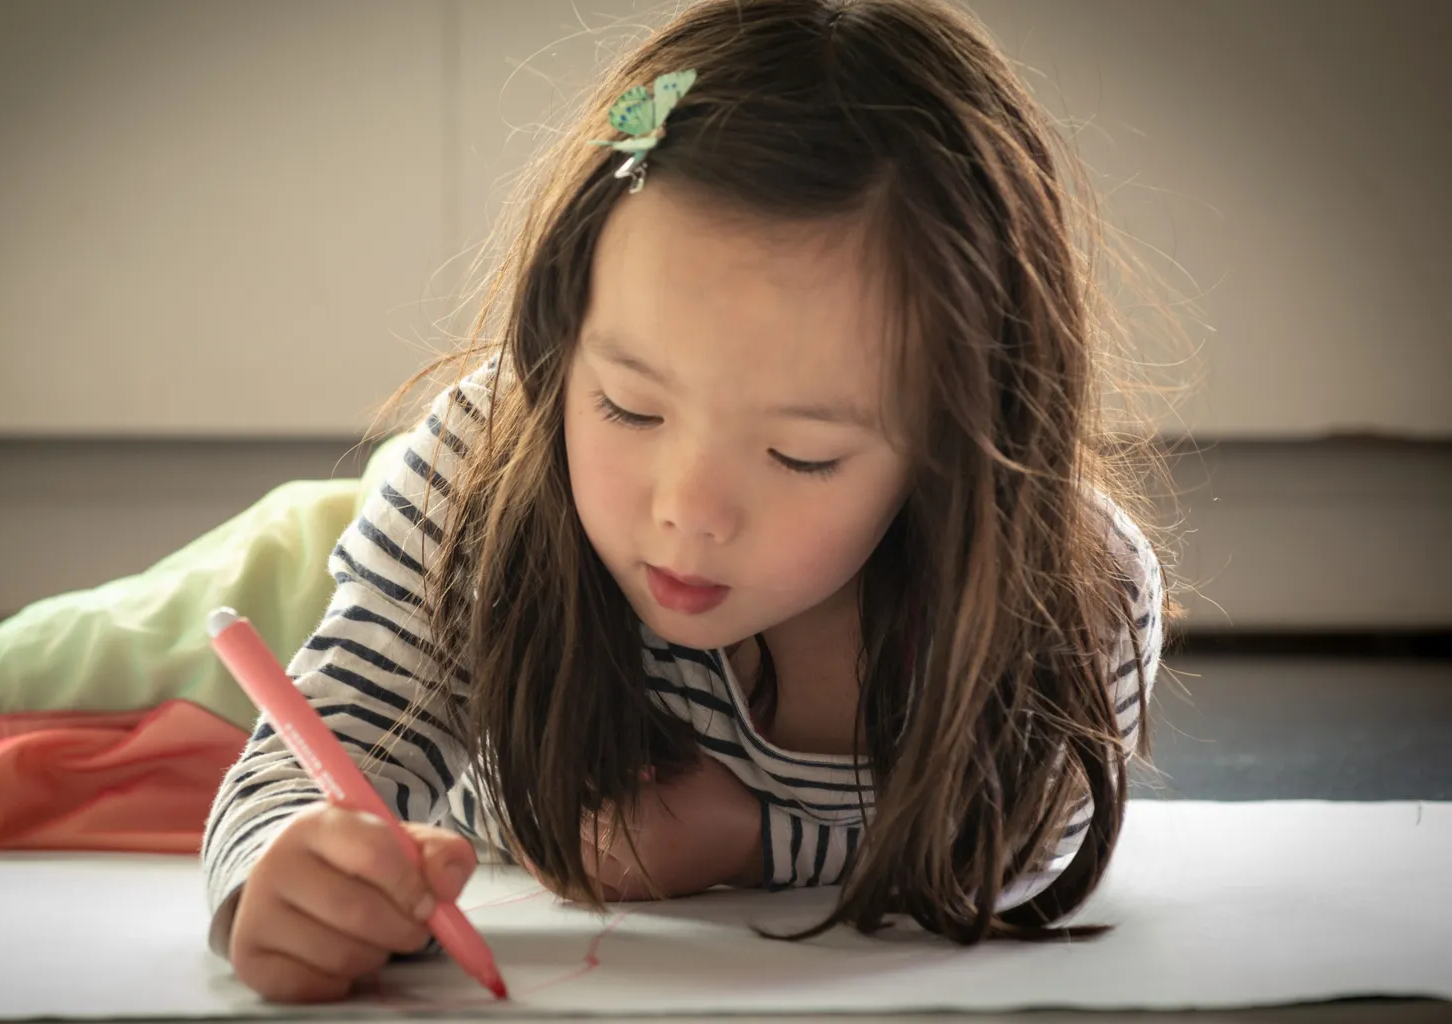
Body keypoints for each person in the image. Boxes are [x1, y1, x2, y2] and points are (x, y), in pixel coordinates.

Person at [201, 0, 1174, 1004]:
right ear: (556, 342)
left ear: (962, 437)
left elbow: (1023, 825)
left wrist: (751, 844)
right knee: (84, 684)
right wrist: (280, 873)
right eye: (628, 405)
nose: (689, 511)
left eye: (801, 455)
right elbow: (308, 757)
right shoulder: (473, 470)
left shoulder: (1074, 591)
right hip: (387, 565)